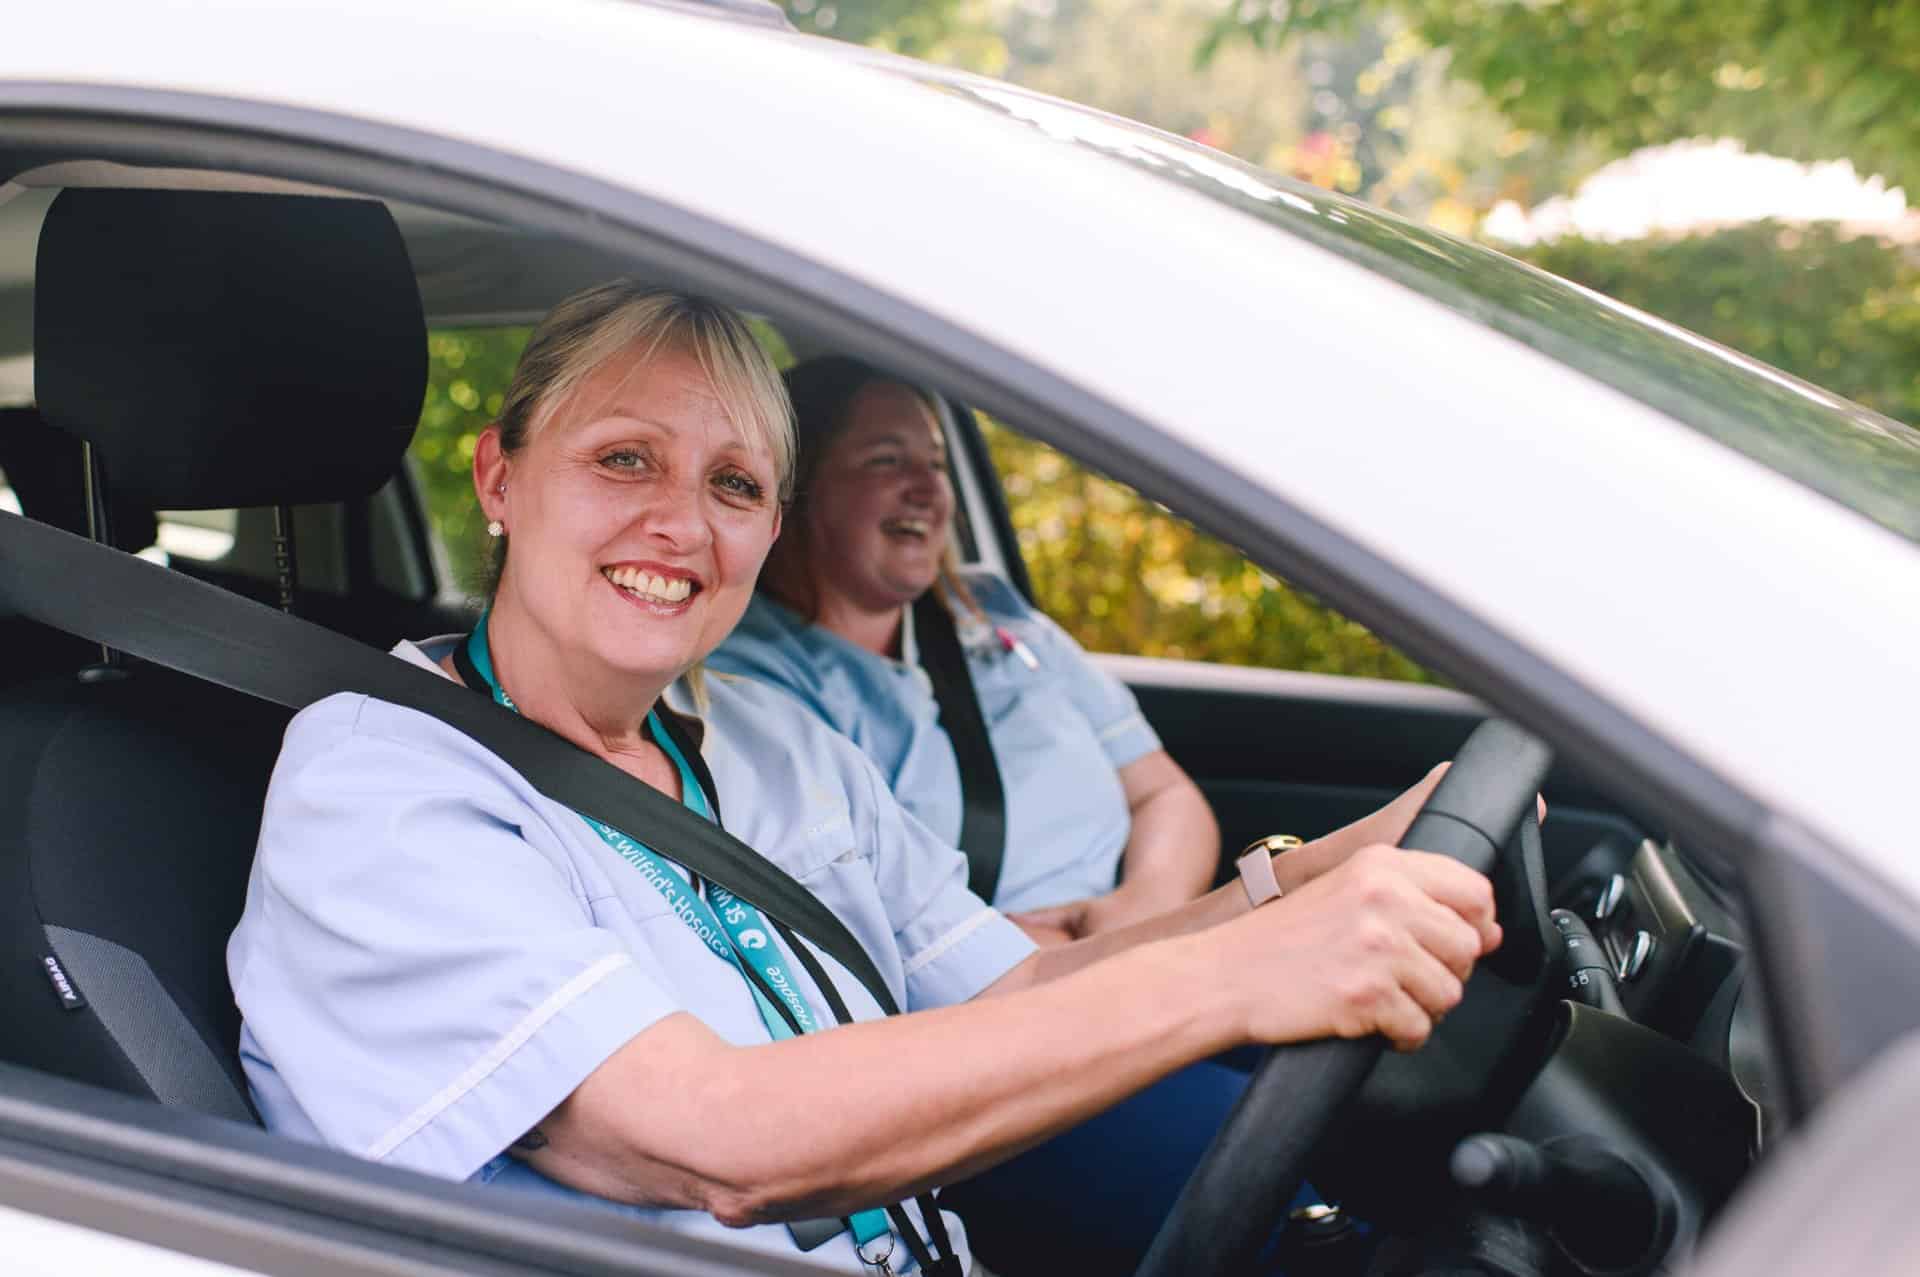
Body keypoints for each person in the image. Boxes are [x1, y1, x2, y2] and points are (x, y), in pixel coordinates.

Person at [228, 283, 1499, 1277]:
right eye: (625, 458)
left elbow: (1022, 983)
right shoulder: (380, 781)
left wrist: (1305, 876)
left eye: (734, 483)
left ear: (768, 533)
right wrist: (1230, 976)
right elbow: (717, 1135)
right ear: (502, 478)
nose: (681, 521)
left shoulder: (775, 742)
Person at [711, 357, 1217, 944]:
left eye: (936, 463)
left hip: (1147, 948)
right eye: (886, 460)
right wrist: (1068, 958)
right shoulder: (750, 680)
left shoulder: (992, 609)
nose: (928, 490)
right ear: (796, 488)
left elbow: (1165, 792)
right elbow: (858, 934)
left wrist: (1143, 908)